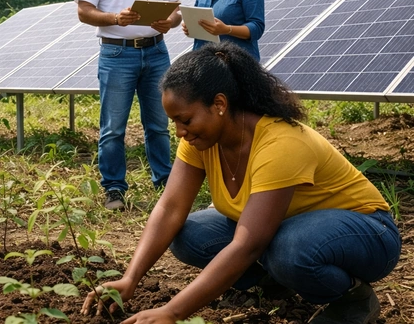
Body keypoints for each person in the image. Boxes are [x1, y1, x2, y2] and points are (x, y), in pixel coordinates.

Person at [81, 42, 401, 324]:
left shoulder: (280, 143)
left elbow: (248, 245)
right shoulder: (199, 141)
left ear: (219, 104)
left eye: (186, 119)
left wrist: (173, 311)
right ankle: (275, 285)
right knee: (190, 235)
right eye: (174, 121)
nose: (179, 131)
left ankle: (352, 299)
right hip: (287, 228)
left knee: (288, 250)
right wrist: (130, 278)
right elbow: (169, 208)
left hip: (367, 233)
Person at [75, 0, 182, 210]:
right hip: (117, 53)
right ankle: (114, 189)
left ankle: (164, 181)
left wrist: (169, 23)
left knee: (159, 122)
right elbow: (83, 10)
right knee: (113, 127)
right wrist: (114, 17)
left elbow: (176, 10)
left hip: (157, 51)